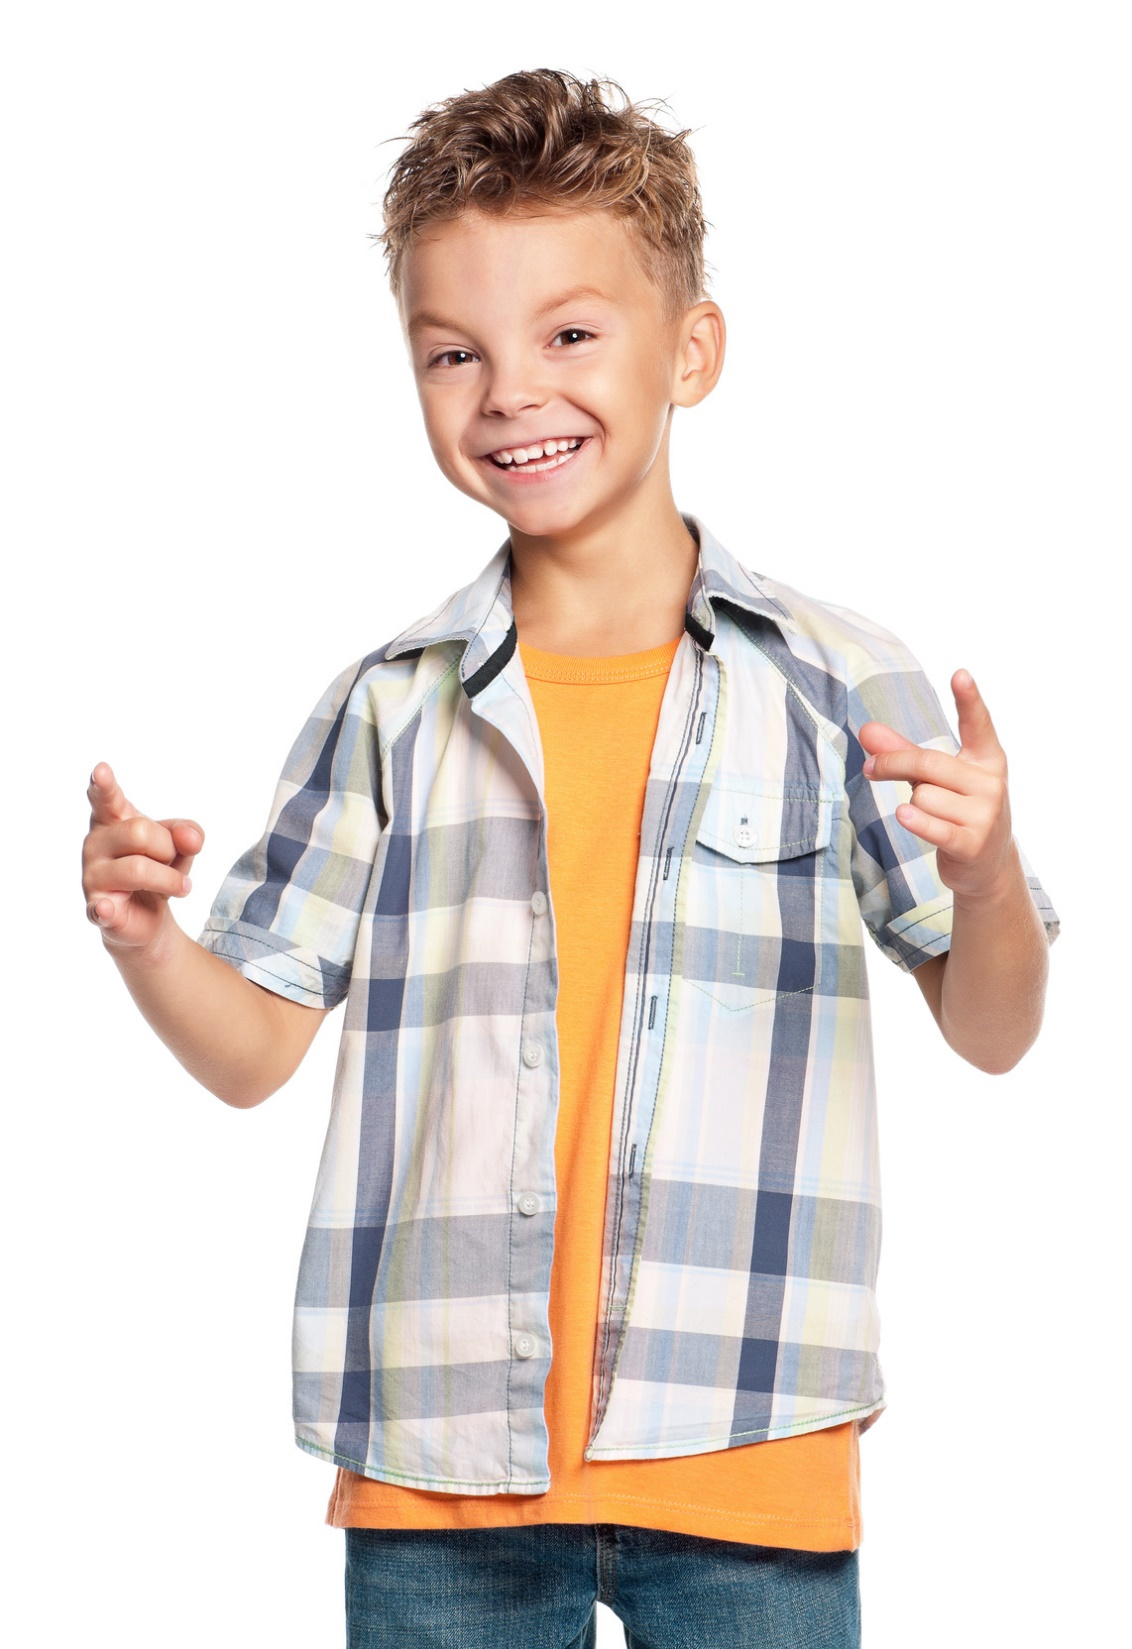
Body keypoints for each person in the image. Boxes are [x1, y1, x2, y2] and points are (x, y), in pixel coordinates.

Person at [81, 68, 1058, 1649]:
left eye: (570, 335)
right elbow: (254, 1048)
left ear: (693, 350)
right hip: (440, 1468)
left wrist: (993, 874)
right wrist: (149, 942)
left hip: (745, 1446)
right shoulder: (388, 705)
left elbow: (995, 1028)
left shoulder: (840, 682)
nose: (509, 392)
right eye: (453, 352)